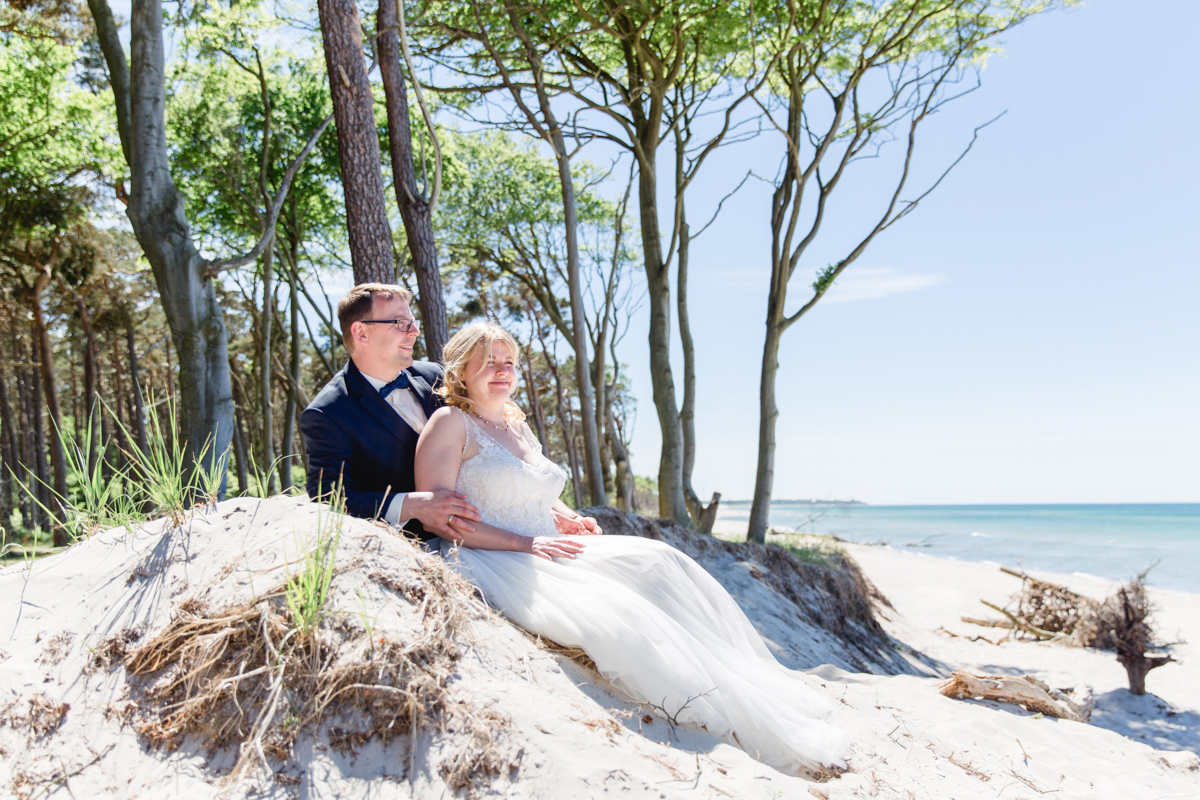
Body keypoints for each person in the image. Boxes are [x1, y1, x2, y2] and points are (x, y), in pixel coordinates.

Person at [414, 322, 848, 774]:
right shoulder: (449, 424)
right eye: (489, 364)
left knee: (661, 561)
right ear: (462, 370)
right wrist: (527, 542)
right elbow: (443, 520)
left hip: (546, 542)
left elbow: (530, 487)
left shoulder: (515, 422)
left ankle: (734, 685)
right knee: (620, 608)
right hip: (496, 555)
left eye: (508, 363)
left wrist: (563, 514)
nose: (501, 372)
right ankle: (699, 702)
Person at [300, 283, 596, 543]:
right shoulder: (328, 413)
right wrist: (411, 505)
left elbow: (502, 462)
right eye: (401, 323)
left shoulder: (436, 376)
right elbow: (329, 500)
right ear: (361, 332)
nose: (414, 331)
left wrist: (560, 513)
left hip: (497, 531)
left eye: (413, 322)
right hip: (418, 544)